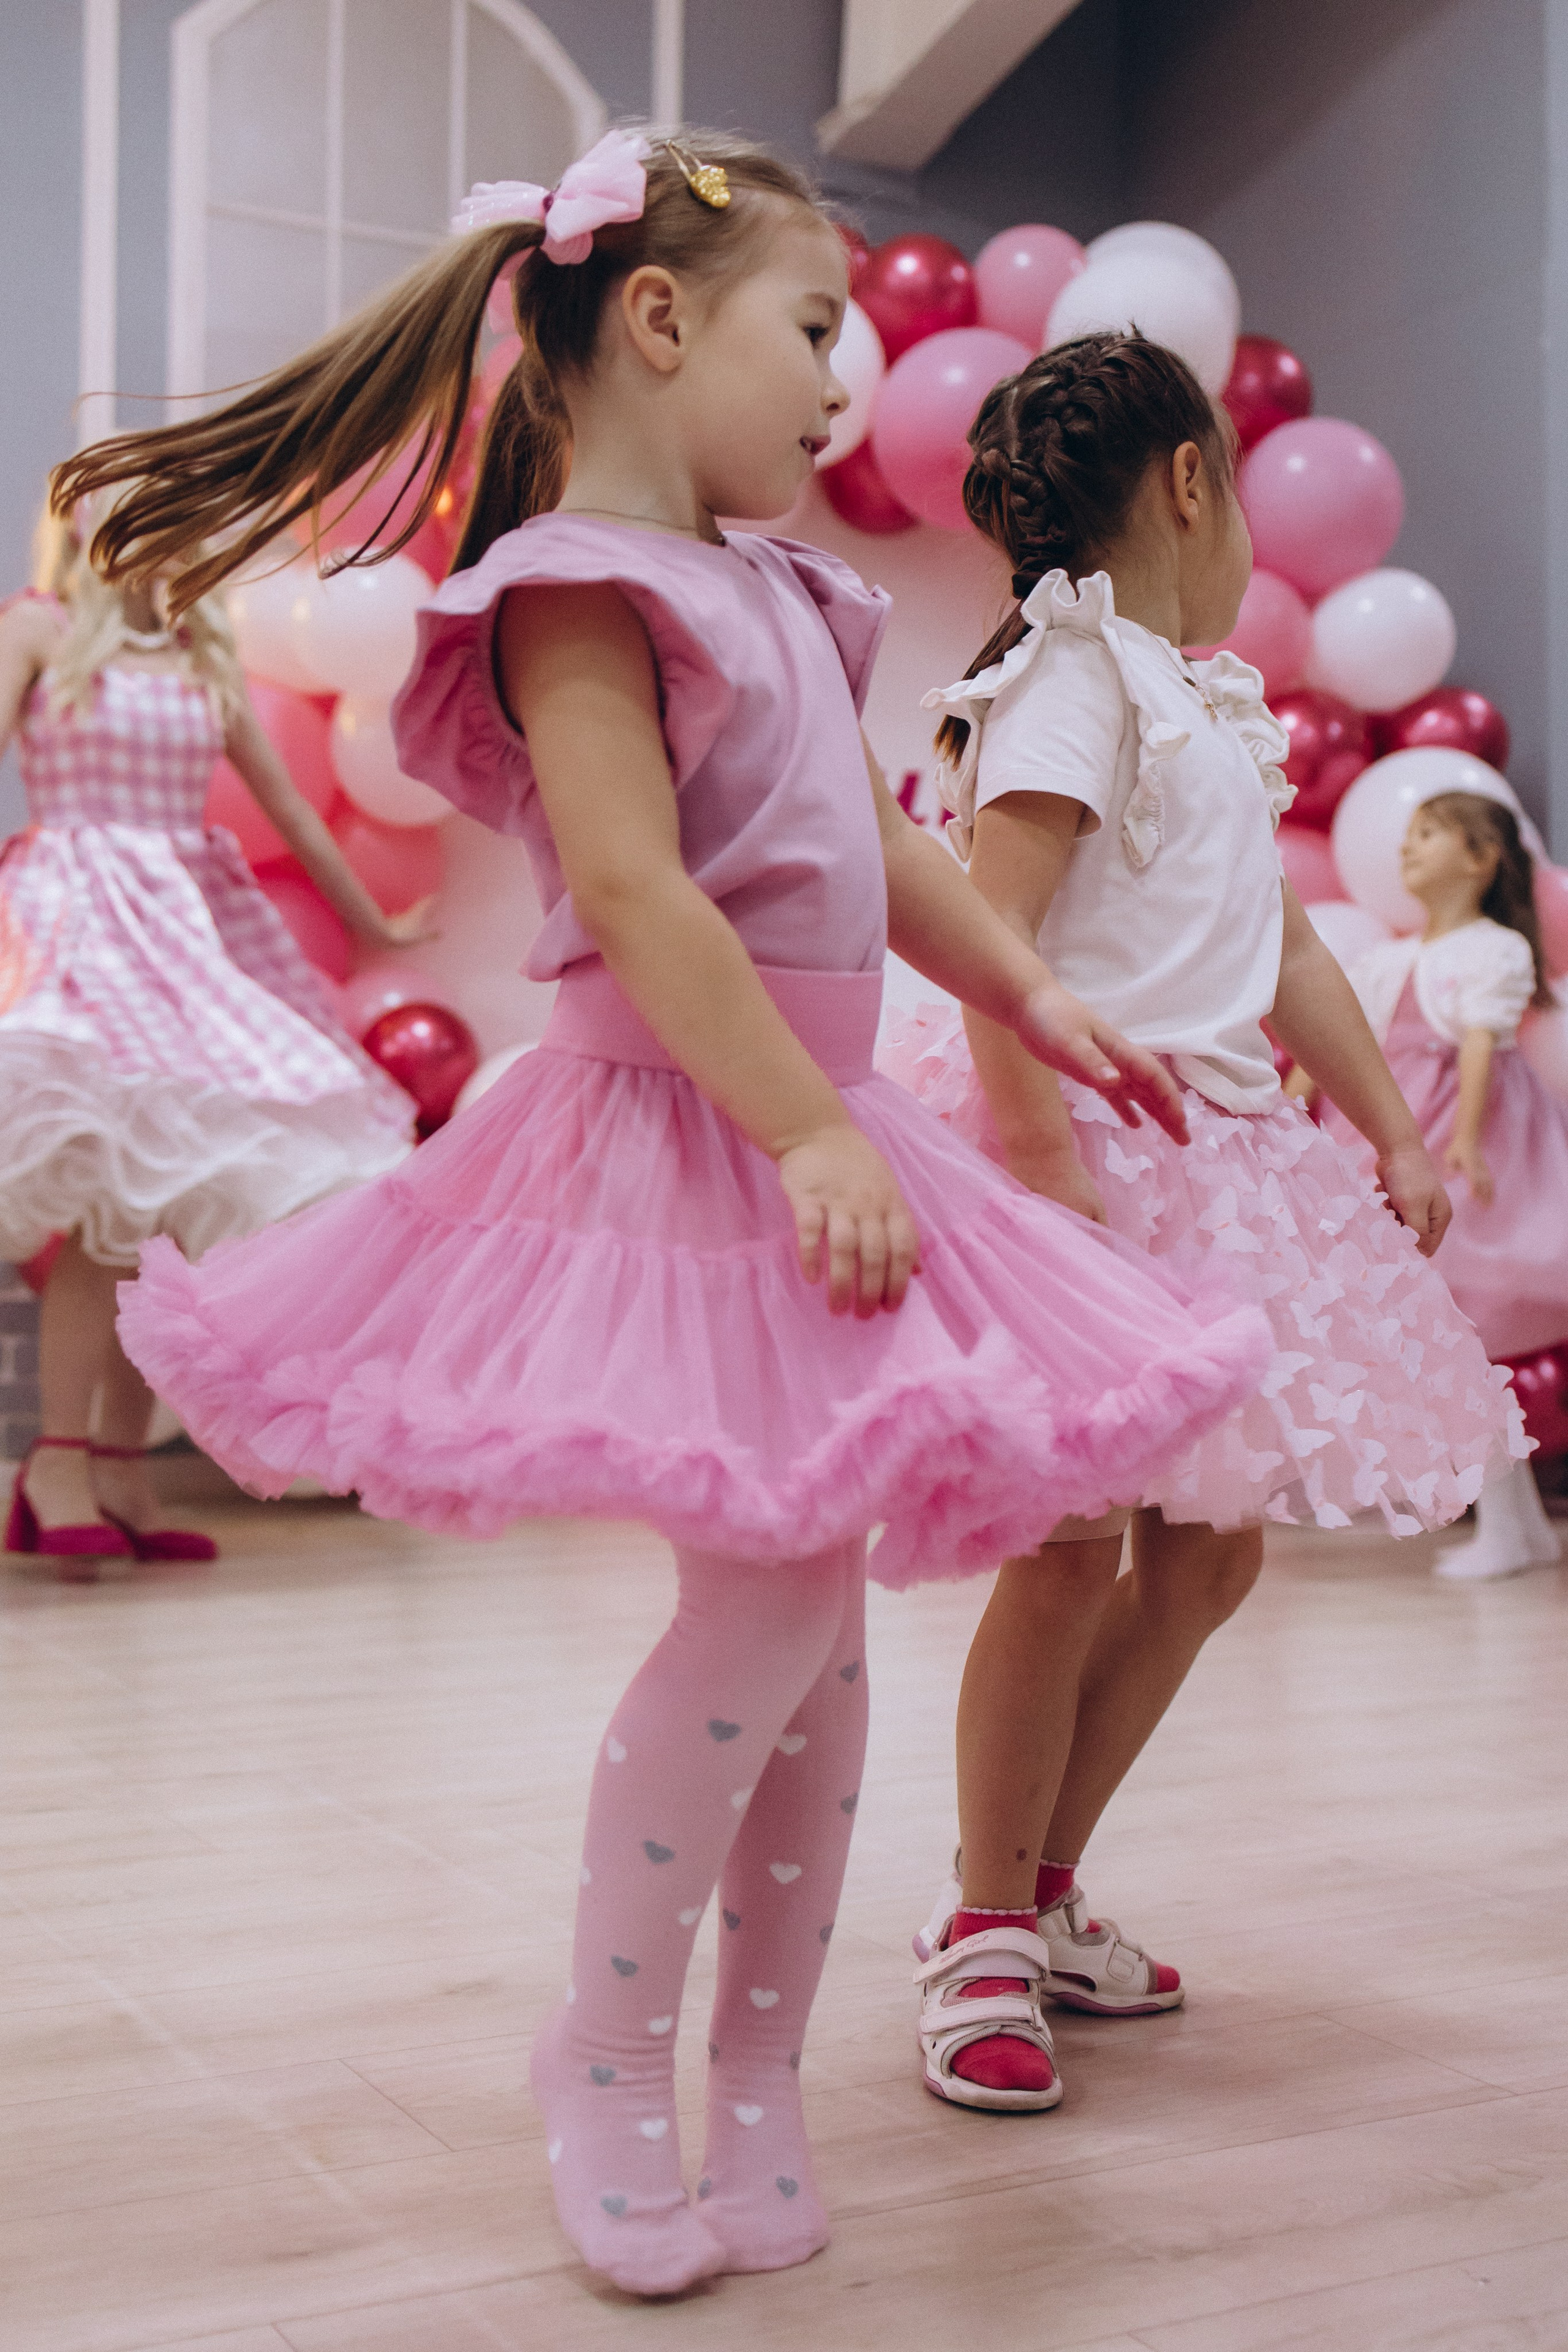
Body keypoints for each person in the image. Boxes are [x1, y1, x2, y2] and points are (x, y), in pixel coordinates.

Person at [56, 132, 1273, 2294]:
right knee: (754, 1627)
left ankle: (767, 2070)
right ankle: (611, 2060)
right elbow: (629, 885)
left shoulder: (791, 593)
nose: (842, 385)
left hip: (806, 1138)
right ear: (653, 320)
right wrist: (808, 1131)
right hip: (683, 1142)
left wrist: (1039, 992)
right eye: (814, 330)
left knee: (811, 1636)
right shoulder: (575, 594)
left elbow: (879, 855)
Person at [881, 331, 1528, 2114]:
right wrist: (1043, 1173)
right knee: (1067, 1544)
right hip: (1090, 1147)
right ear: (1192, 482)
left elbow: (1290, 946)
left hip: (1224, 1151)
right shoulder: (1071, 677)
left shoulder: (1196, 692)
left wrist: (1393, 1121)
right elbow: (991, 933)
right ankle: (984, 1926)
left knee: (1214, 1551)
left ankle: (1045, 1879)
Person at [0, 505, 417, 1574]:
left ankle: (119, 1466)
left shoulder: (201, 650)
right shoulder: (41, 629)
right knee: (108, 1204)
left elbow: (286, 806)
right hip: (82, 919)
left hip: (188, 933)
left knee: (170, 1217)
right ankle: (56, 1466)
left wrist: (376, 926)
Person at [1296, 791, 1562, 1580]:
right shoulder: (1389, 958)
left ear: (1481, 859)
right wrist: (1295, 1092)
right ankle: (1513, 1523)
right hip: (1393, 1143)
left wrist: (1469, 1142)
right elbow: (1341, 1034)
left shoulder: (1493, 951)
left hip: (1454, 1147)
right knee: (1441, 1342)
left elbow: (1480, 1045)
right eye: (1406, 835)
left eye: (1429, 835)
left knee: (1458, 1335)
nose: (1408, 849)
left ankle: (1510, 1525)